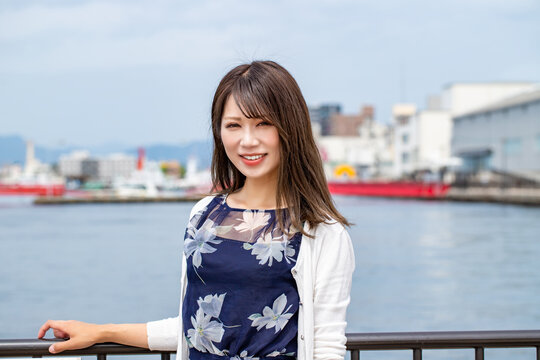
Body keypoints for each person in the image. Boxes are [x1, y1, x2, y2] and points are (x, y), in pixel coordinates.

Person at [37, 60, 355, 360]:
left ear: (290, 128)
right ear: (219, 132)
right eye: (234, 125)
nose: (247, 140)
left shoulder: (319, 230)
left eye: (263, 124)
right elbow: (196, 328)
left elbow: (326, 345)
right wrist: (103, 331)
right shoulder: (204, 216)